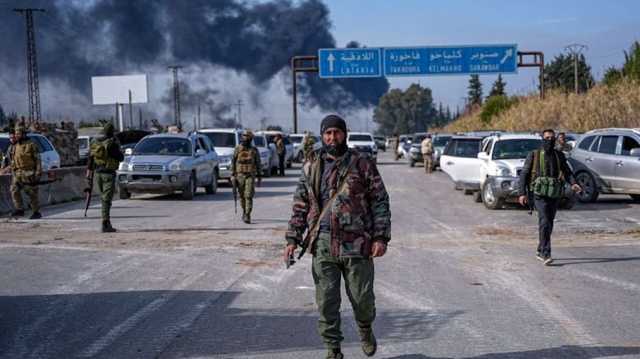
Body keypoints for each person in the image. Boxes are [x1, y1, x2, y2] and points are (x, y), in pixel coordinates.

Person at [284, 114, 391, 359]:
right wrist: (292, 239)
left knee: (362, 299)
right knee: (327, 303)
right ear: (322, 135)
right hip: (322, 244)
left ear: (345, 134)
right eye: (328, 133)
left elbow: (380, 201)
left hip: (357, 245)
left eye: (337, 132)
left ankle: (365, 328)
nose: (333, 138)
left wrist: (380, 237)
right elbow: (300, 204)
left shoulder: (361, 163)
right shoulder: (311, 165)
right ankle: (333, 350)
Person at [518, 129, 582, 265]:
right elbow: (524, 174)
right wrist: (522, 193)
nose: (550, 140)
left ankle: (541, 247)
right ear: (542, 139)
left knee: (549, 222)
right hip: (539, 194)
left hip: (554, 193)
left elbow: (567, 171)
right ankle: (545, 253)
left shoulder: (559, 155)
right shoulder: (534, 155)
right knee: (545, 220)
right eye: (547, 138)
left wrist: (574, 183)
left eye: (552, 138)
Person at [87, 123, 124, 233]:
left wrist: (88, 173)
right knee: (106, 200)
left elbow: (90, 158)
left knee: (103, 199)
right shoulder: (111, 144)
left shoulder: (95, 142)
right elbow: (120, 157)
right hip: (108, 174)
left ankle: (106, 222)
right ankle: (105, 223)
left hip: (97, 173)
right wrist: (117, 144)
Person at [9, 126, 42, 219]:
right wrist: (13, 170)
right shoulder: (15, 146)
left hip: (29, 173)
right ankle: (19, 209)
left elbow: (38, 160)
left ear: (23, 134)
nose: (16, 135)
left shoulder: (31, 144)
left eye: (18, 133)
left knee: (32, 193)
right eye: (16, 134)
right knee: (14, 190)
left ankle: (36, 212)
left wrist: (38, 172)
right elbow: (13, 159)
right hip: (17, 173)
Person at [232, 130, 262, 224]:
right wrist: (232, 175)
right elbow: (233, 162)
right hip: (240, 175)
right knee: (241, 196)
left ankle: (247, 215)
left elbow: (258, 163)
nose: (245, 138)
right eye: (244, 136)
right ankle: (244, 211)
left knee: (248, 195)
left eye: (247, 136)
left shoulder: (254, 150)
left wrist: (259, 176)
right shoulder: (238, 149)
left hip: (250, 175)